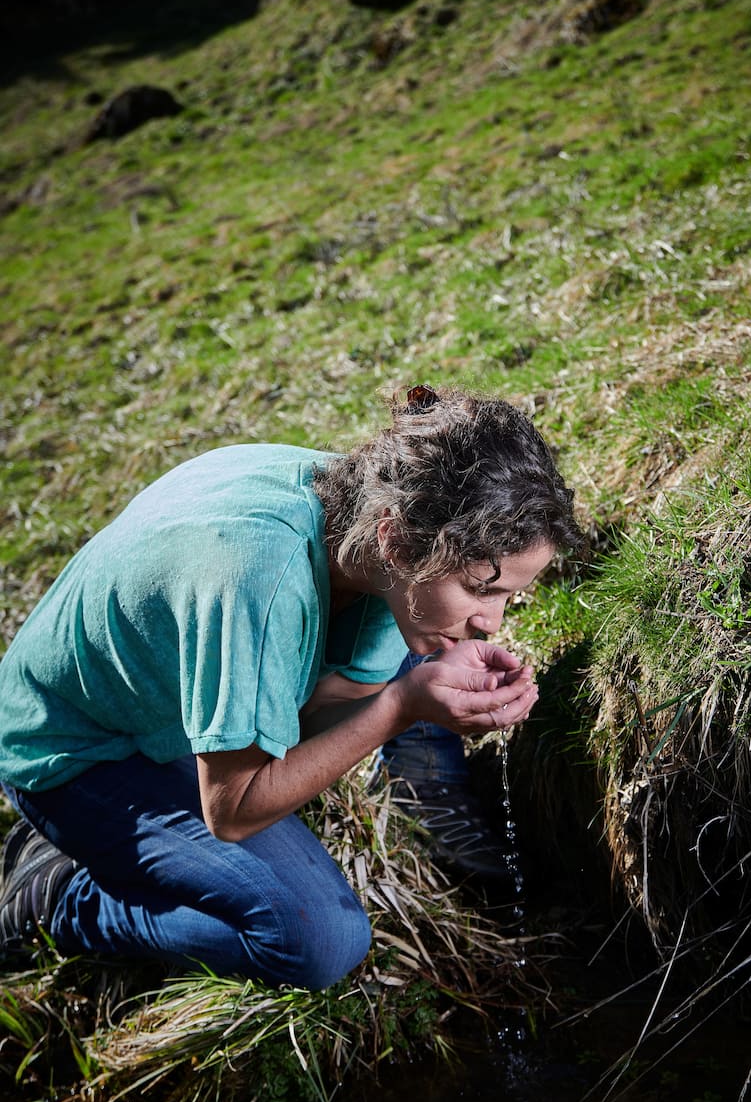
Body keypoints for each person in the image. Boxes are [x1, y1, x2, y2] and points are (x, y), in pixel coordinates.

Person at [0, 385, 580, 990]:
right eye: (483, 589)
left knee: (420, 646)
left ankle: (428, 791)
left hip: (177, 690)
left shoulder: (368, 514)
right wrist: (401, 709)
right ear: (396, 539)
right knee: (314, 942)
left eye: (510, 593)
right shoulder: (259, 578)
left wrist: (403, 698)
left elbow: (328, 710)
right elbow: (231, 812)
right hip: (75, 749)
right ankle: (61, 896)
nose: (494, 621)